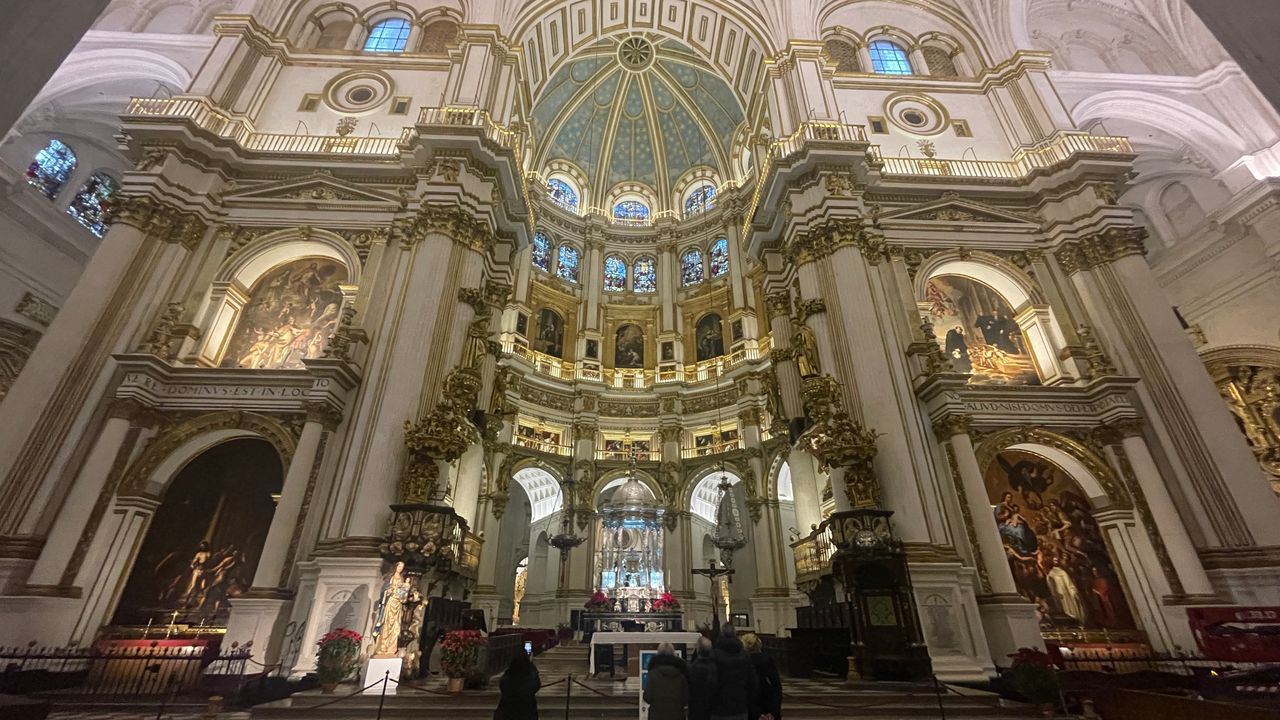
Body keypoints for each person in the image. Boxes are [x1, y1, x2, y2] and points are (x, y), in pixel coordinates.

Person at [710, 626, 757, 720]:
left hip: (719, 709)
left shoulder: (713, 655)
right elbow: (753, 682)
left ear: (721, 635)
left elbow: (710, 683)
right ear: (735, 635)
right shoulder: (745, 655)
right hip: (740, 707)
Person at [741, 633, 782, 720]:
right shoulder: (767, 660)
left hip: (751, 710)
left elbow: (745, 691)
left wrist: (757, 714)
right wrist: (773, 713)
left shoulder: (743, 662)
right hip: (768, 706)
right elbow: (777, 687)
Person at [644, 642, 690, 720]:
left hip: (656, 715)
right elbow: (685, 699)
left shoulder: (653, 674)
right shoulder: (681, 675)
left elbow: (647, 697)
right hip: (676, 715)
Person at [494, 653, 540, 720]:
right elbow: (536, 684)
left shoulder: (507, 680)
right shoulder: (529, 682)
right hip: (526, 713)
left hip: (507, 714)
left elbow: (502, 682)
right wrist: (531, 665)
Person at [689, 637, 719, 720]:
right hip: (713, 707)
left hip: (697, 708)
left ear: (698, 650)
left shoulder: (693, 668)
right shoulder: (716, 665)